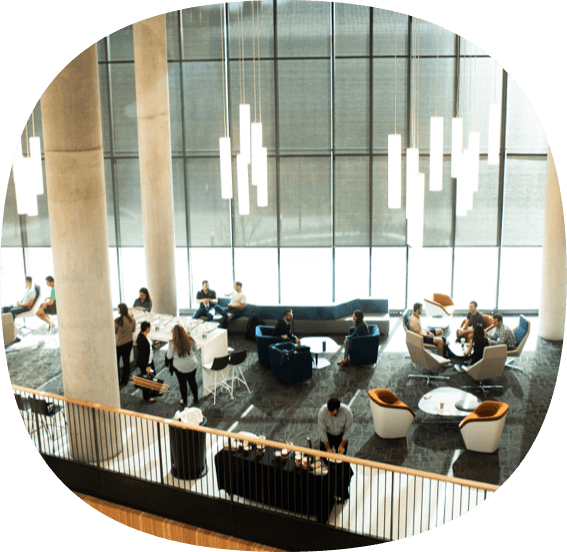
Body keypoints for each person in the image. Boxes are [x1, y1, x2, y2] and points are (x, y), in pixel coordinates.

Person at [167, 325, 200, 406]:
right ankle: (196, 398)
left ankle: (184, 400)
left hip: (180, 368)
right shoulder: (190, 339)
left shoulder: (172, 343)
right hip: (192, 364)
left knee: (182, 384)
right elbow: (195, 349)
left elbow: (169, 356)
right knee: (192, 381)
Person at [135, 321, 162, 402]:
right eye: (149, 327)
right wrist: (146, 366)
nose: (150, 329)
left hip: (149, 360)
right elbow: (142, 355)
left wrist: (154, 346)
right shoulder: (142, 339)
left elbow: (148, 348)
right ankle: (147, 396)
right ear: (147, 328)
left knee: (153, 376)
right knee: (146, 379)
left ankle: (153, 392)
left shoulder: (145, 336)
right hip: (145, 363)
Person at [115, 303, 136, 386]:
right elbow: (133, 330)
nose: (117, 310)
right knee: (126, 361)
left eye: (117, 309)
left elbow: (115, 331)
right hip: (129, 342)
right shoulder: (132, 319)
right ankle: (125, 380)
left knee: (116, 362)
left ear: (120, 310)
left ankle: (117, 379)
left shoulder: (117, 321)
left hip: (119, 344)